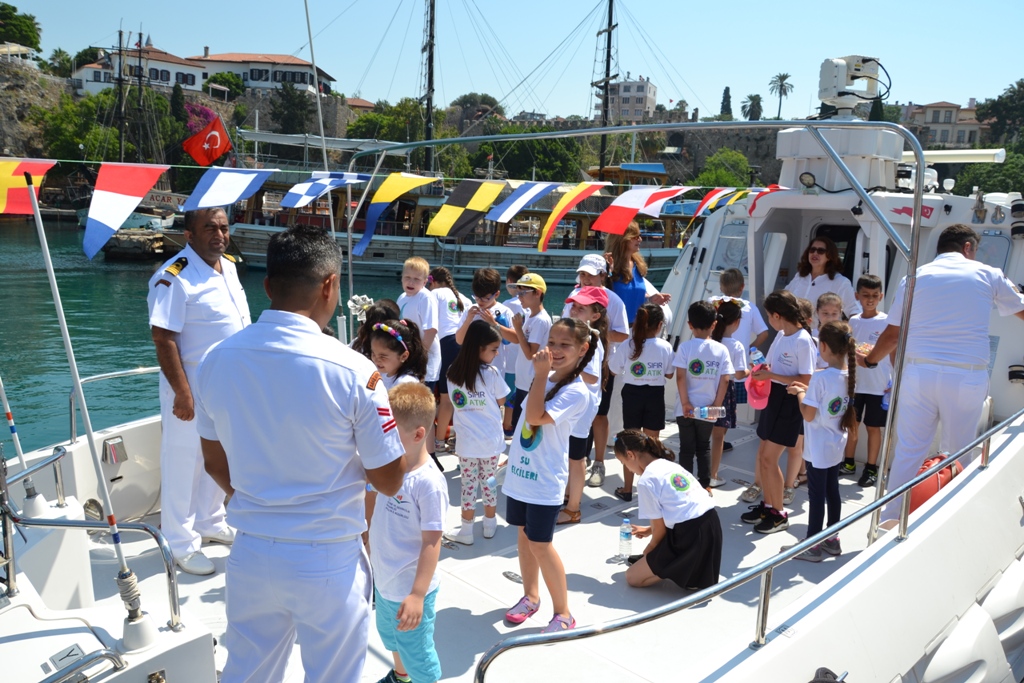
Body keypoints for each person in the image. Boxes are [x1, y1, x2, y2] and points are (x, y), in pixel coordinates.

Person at [194, 225, 406, 683]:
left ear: (267, 286)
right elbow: (389, 481)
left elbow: (214, 462)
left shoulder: (214, 359)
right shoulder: (356, 371)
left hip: (250, 551)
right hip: (328, 558)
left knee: (248, 674)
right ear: (330, 285)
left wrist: (259, 498)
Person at [861, 224, 1024, 522]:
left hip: (918, 375)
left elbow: (892, 335)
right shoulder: (988, 274)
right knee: (957, 451)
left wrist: (871, 360)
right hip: (965, 377)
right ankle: (942, 519)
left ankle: (892, 516)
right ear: (967, 247)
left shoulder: (914, 277)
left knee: (909, 450)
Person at [147, 206, 249, 576]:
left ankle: (209, 519)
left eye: (223, 227)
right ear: (189, 234)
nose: (219, 234)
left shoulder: (231, 267)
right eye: (209, 228)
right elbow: (163, 337)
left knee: (218, 457)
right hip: (191, 386)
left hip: (228, 385)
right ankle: (179, 541)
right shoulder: (173, 277)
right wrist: (182, 393)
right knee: (183, 462)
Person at [502, 318, 595, 634]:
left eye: (564, 345)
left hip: (544, 482)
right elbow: (523, 428)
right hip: (521, 476)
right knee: (523, 536)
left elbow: (535, 417)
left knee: (541, 543)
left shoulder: (577, 392)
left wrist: (539, 375)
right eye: (552, 342)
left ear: (582, 349)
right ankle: (530, 596)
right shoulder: (550, 378)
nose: (555, 350)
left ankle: (564, 613)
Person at [370, 383, 448, 683]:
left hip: (411, 588)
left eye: (390, 432)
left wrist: (417, 595)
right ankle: (400, 677)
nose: (382, 438)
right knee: (392, 639)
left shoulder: (427, 483)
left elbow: (432, 541)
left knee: (418, 653)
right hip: (386, 582)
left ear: (418, 435)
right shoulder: (390, 468)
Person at [741, 291, 816, 534]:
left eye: (768, 317)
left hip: (789, 402)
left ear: (776, 315)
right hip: (774, 399)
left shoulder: (803, 340)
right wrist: (760, 371)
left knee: (770, 459)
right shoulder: (783, 335)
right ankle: (768, 506)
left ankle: (779, 515)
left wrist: (771, 375)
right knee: (763, 455)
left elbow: (806, 379)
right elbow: (773, 365)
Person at [784, 321, 856, 562]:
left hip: (817, 448)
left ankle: (812, 544)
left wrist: (800, 393)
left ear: (823, 346)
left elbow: (808, 414)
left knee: (816, 495)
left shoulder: (820, 378)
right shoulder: (848, 374)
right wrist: (809, 389)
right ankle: (832, 539)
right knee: (832, 492)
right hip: (836, 446)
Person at [614, 430, 722, 590]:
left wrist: (649, 551)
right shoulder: (668, 464)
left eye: (624, 463)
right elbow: (682, 509)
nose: (628, 469)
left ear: (630, 455)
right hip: (712, 526)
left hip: (690, 538)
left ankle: (673, 566)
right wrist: (650, 530)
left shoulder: (646, 481)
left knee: (633, 577)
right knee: (646, 563)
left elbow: (660, 531)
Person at [561, 254, 629, 489]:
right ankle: (578, 459)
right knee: (574, 415)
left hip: (601, 364)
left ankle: (598, 462)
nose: (585, 278)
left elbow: (623, 335)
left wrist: (594, 333)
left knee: (600, 415)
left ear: (603, 275)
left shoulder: (614, 301)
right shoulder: (572, 299)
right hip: (571, 364)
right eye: (582, 273)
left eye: (590, 274)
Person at [443, 320, 508, 544]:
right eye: (493, 349)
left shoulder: (452, 371)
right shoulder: (491, 373)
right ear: (479, 348)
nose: (496, 353)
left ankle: (466, 530)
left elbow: (455, 403)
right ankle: (489, 524)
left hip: (467, 443)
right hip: (490, 441)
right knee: (489, 483)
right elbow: (502, 399)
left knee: (468, 486)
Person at [607, 303, 674, 499]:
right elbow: (669, 374)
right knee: (653, 444)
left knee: (630, 442)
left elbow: (613, 370)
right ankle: (653, 490)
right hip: (654, 395)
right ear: (660, 324)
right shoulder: (665, 346)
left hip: (632, 396)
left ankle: (627, 489)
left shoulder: (628, 345)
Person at [672, 301, 734, 491]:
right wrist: (715, 405)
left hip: (685, 409)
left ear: (689, 325)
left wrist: (685, 402)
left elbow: (681, 377)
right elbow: (725, 380)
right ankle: (705, 485)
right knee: (703, 447)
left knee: (686, 448)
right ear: (714, 324)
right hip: (707, 408)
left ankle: (685, 486)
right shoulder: (721, 349)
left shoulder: (684, 348)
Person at [560, 287, 609, 523]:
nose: (574, 309)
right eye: (573, 305)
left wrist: (563, 370)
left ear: (595, 315)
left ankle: (573, 508)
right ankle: (568, 495)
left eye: (581, 308)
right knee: (568, 453)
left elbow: (592, 377)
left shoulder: (591, 338)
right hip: (571, 402)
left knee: (577, 457)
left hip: (582, 406)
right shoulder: (575, 334)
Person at [843, 275, 891, 486]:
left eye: (874, 296)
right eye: (865, 295)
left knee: (873, 428)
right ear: (857, 296)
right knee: (852, 425)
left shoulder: (888, 321)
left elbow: (894, 353)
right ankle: (849, 463)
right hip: (855, 384)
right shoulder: (853, 321)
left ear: (880, 296)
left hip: (879, 386)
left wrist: (893, 381)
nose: (870, 300)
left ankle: (871, 468)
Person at [430, 266, 470, 454]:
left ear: (433, 281)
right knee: (461, 397)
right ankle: (457, 439)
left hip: (446, 345)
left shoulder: (435, 294)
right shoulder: (465, 299)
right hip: (465, 347)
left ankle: (438, 442)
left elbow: (430, 324)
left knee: (445, 399)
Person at [709, 300, 748, 488]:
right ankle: (713, 474)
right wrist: (751, 371)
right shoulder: (736, 346)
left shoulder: (709, 341)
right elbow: (740, 374)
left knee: (704, 432)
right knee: (719, 436)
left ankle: (701, 469)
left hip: (706, 389)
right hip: (724, 393)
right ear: (737, 322)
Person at [507, 273, 552, 432]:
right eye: (518, 293)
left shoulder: (540, 320)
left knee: (524, 427)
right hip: (524, 380)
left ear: (537, 293)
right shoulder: (531, 316)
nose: (519, 297)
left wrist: (518, 328)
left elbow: (530, 354)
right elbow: (521, 341)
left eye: (523, 293)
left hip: (531, 382)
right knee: (519, 424)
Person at [786, 236, 861, 317]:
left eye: (820, 251)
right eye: (812, 250)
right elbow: (784, 299)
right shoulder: (799, 276)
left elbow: (854, 310)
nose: (815, 253)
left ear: (829, 256)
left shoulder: (840, 282)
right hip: (795, 329)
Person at [502, 265, 530, 434]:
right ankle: (511, 425)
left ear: (510, 282)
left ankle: (506, 425)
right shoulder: (529, 306)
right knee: (516, 395)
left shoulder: (507, 304)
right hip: (524, 357)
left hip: (510, 356)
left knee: (507, 395)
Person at [717, 268, 768, 350]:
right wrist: (748, 350)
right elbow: (764, 334)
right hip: (740, 358)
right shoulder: (750, 307)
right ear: (742, 287)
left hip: (716, 357)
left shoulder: (713, 303)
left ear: (721, 288)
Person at [370, 320, 428, 390]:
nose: (376, 359)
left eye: (382, 356)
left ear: (404, 356)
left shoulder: (406, 383)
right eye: (373, 353)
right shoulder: (382, 373)